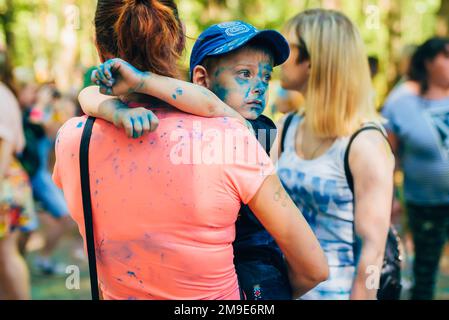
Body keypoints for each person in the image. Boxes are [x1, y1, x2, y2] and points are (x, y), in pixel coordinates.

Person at [53, 0, 328, 300]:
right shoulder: (230, 137)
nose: (259, 87)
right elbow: (314, 268)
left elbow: (89, 96)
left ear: (97, 42)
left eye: (264, 76)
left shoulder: (72, 140)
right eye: (244, 74)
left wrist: (115, 111)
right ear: (180, 39)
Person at [273, 9, 394, 300]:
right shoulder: (286, 127)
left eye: (288, 49)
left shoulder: (365, 144)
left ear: (313, 61)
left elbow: (373, 251)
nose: (277, 57)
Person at [382, 37, 449, 300]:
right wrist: (389, 198)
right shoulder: (402, 101)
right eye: (446, 56)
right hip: (426, 203)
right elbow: (387, 155)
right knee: (425, 270)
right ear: (428, 62)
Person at [0, 45, 37, 300]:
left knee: (7, 254)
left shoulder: (1, 95)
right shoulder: (6, 93)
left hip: (4, 180)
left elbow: (5, 143)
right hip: (9, 180)